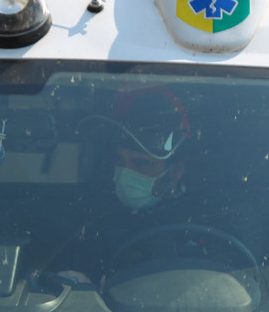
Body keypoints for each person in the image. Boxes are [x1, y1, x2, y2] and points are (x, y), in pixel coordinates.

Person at [49, 85, 194, 286]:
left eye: (141, 163)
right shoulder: (94, 217)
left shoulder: (206, 218)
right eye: (120, 160)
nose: (126, 172)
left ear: (176, 170)